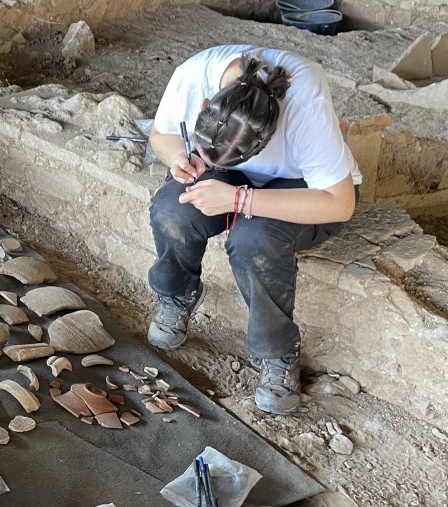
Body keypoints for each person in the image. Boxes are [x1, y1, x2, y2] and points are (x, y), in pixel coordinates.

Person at [146, 44, 358, 415]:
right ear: (205, 106)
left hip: (302, 189)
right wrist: (181, 159)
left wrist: (241, 201)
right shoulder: (195, 74)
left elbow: (340, 203)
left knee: (252, 239)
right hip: (234, 179)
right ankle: (177, 294)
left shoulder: (303, 101)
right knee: (171, 209)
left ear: (265, 140)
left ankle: (276, 353)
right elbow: (161, 136)